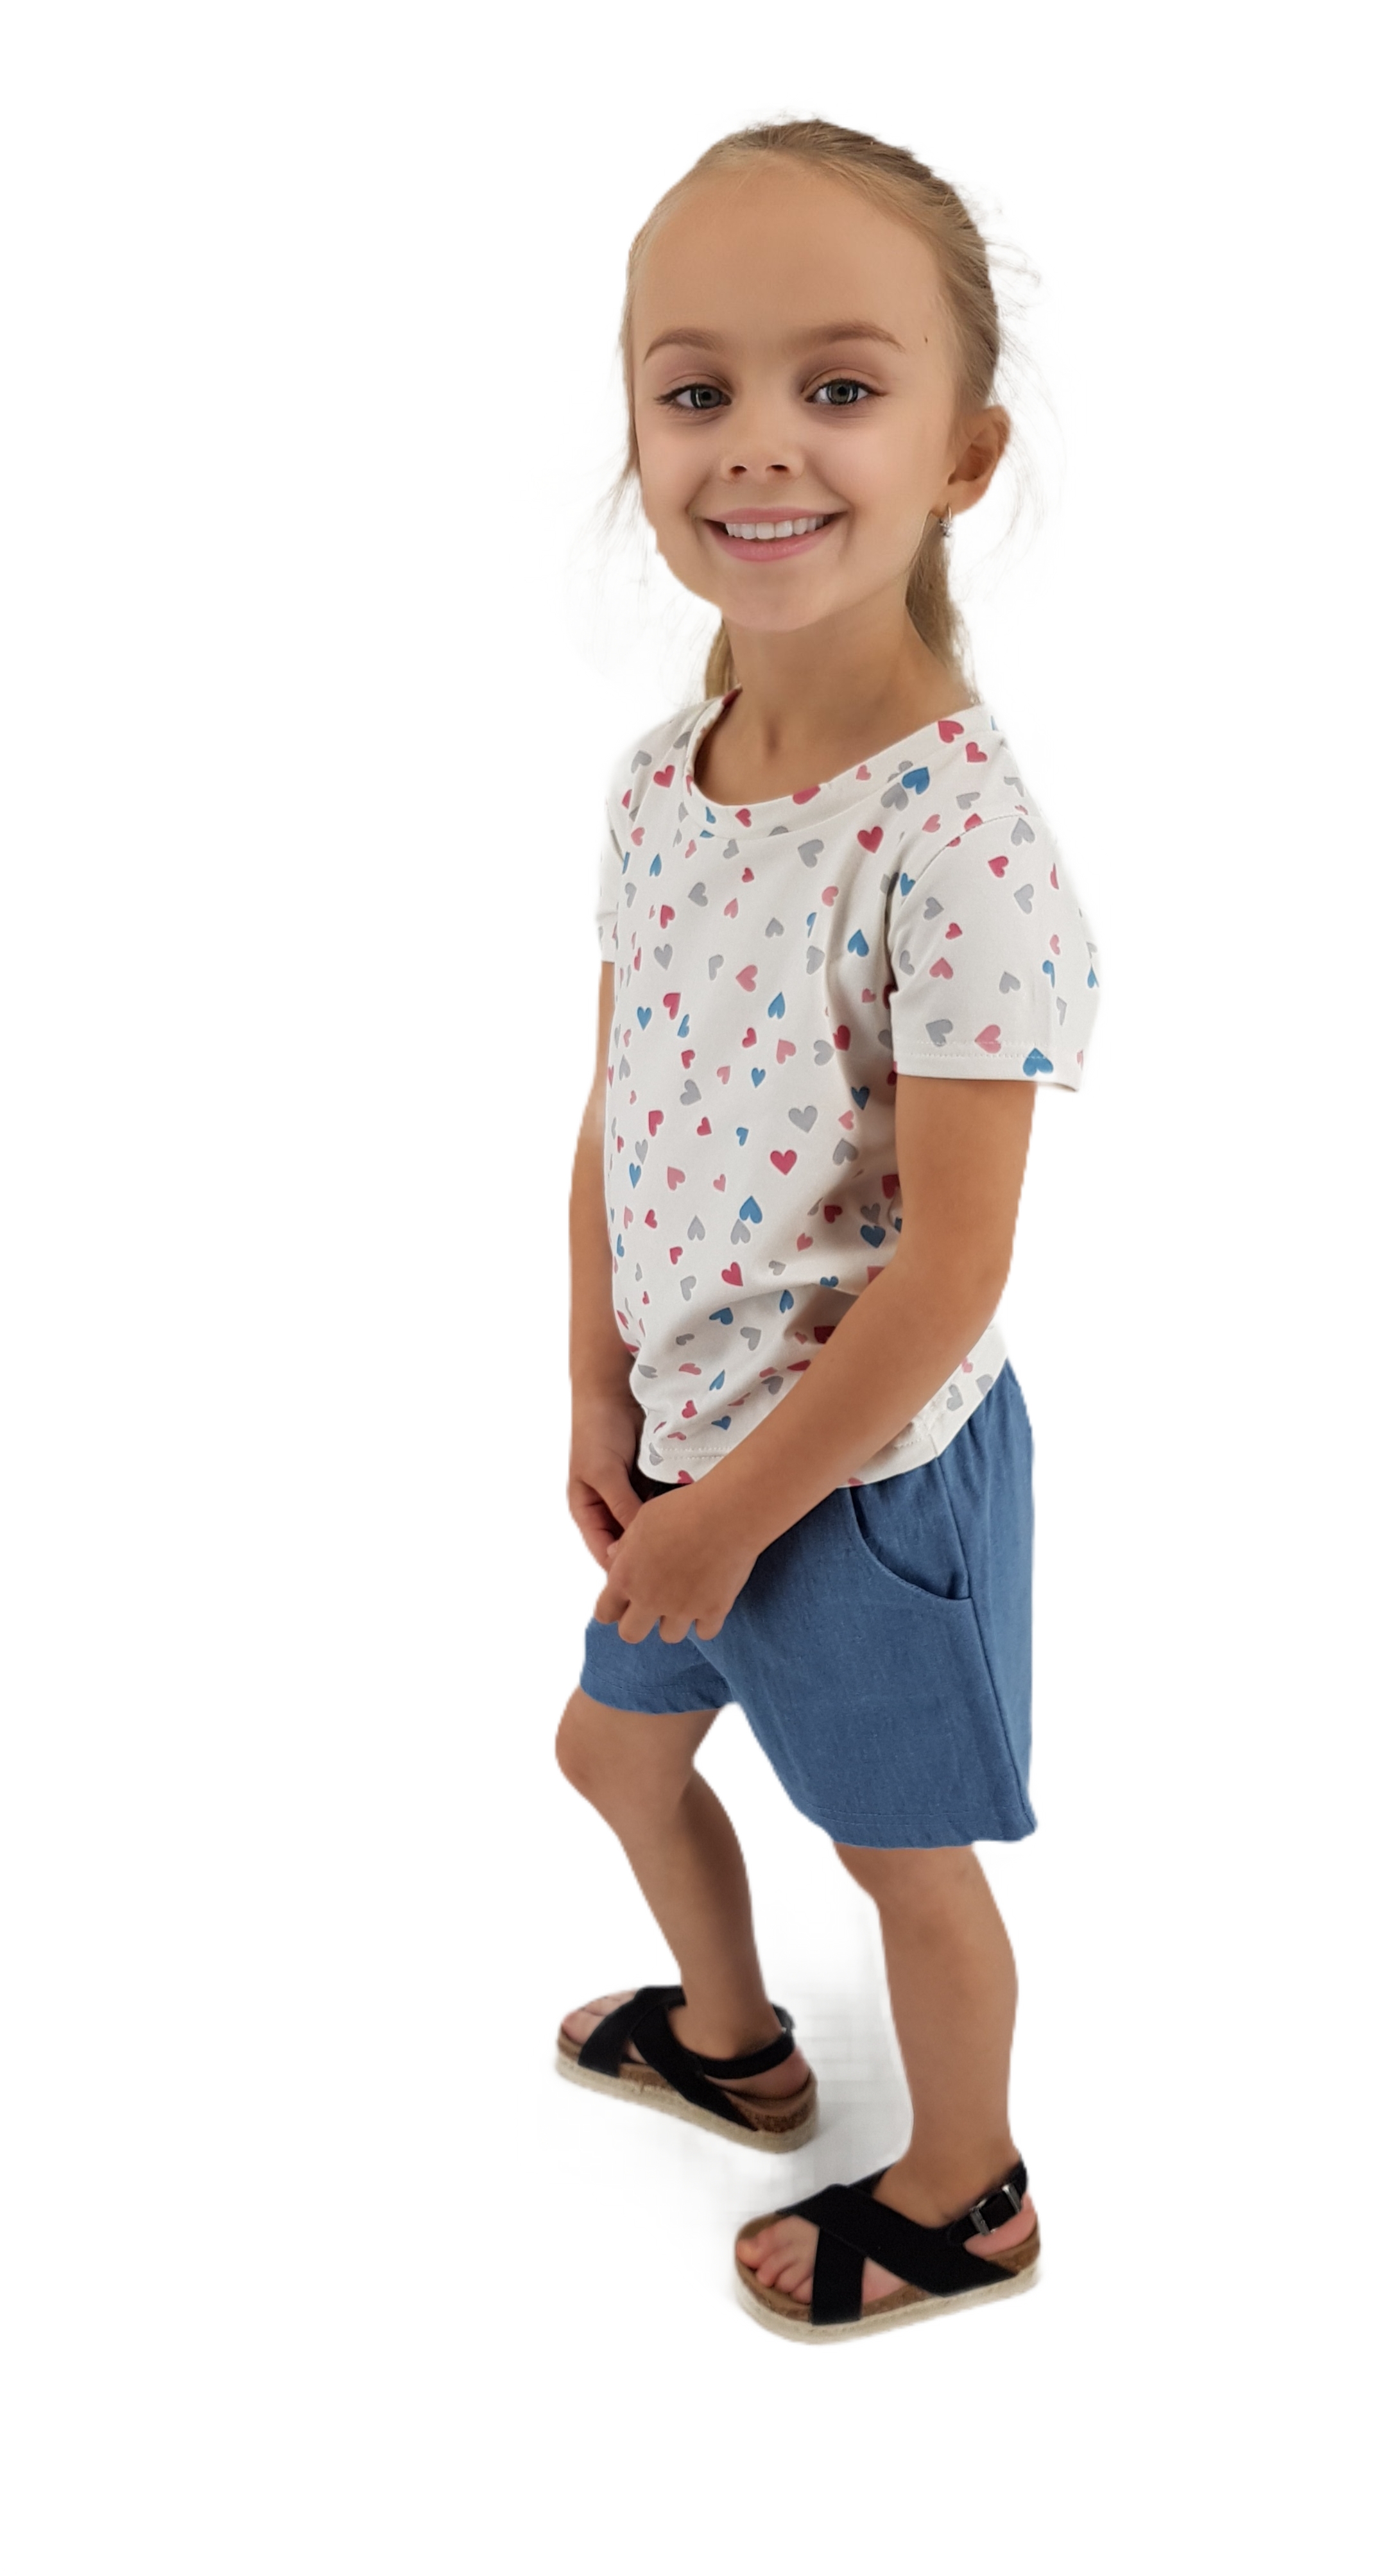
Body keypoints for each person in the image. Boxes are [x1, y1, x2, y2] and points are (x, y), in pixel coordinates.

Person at [556, 117, 1102, 2343]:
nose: (757, 443)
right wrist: (596, 1390)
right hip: (691, 1451)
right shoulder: (657, 781)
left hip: (853, 1485)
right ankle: (733, 2044)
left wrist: (735, 1517)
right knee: (610, 1754)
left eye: (840, 387)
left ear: (961, 455)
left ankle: (970, 2189)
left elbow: (948, 1272)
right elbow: (612, 1112)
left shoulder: (957, 847)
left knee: (902, 1860)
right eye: (695, 388)